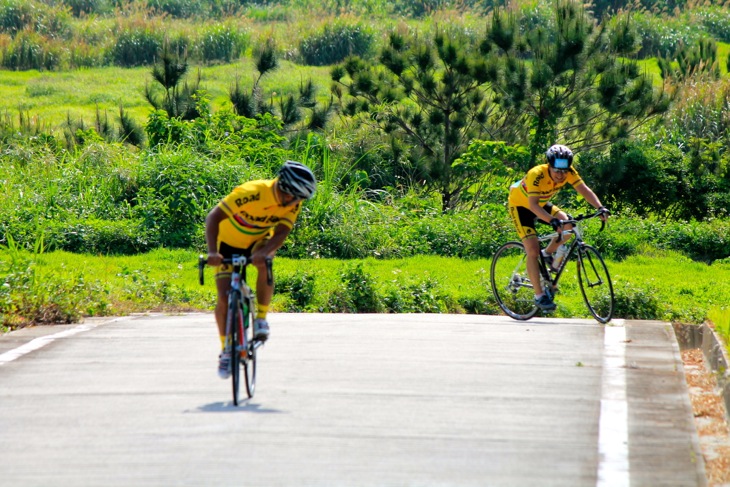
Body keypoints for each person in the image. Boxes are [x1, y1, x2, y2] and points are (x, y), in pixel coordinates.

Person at [205, 160, 316, 378]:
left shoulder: (294, 200)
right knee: (223, 297)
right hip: (226, 243)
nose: (296, 203)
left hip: (257, 240)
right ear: (284, 188)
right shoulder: (253, 192)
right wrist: (212, 252)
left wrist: (265, 252)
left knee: (266, 261)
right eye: (294, 198)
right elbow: (213, 217)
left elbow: (282, 231)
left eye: (300, 200)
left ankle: (261, 318)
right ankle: (226, 349)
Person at [507, 144, 609, 311]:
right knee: (532, 250)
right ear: (549, 166)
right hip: (522, 207)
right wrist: (551, 220)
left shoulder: (568, 171)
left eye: (564, 171)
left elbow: (583, 189)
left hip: (540, 203)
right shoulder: (536, 174)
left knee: (568, 226)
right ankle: (539, 296)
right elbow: (532, 206)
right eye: (557, 171)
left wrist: (600, 207)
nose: (561, 175)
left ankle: (547, 254)